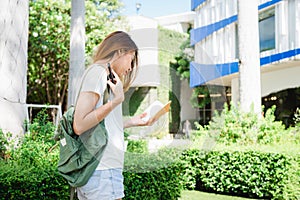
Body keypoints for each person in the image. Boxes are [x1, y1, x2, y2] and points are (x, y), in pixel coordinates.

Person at [73, 31, 150, 200]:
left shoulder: (102, 75)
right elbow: (79, 124)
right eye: (131, 60)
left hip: (100, 171)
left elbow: (99, 124)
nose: (130, 68)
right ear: (120, 51)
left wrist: (132, 122)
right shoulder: (97, 73)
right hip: (103, 171)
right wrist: (117, 101)